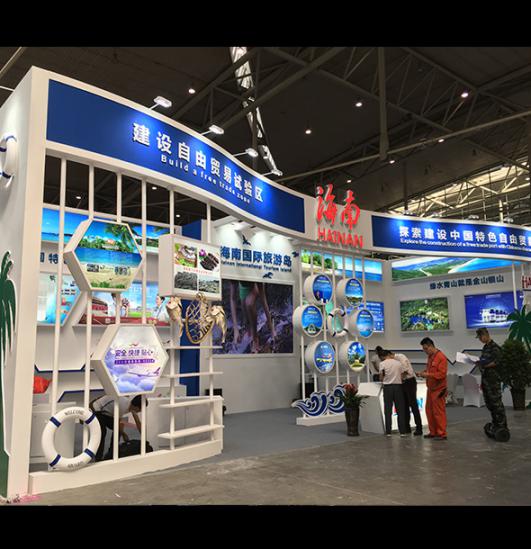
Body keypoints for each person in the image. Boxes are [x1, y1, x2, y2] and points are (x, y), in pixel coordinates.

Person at [89, 395, 147, 461]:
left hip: (106, 413)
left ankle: (112, 453)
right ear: (136, 407)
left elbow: (137, 421)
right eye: (141, 409)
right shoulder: (123, 406)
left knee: (118, 430)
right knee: (102, 432)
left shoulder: (131, 405)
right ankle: (98, 458)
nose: (140, 411)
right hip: (95, 410)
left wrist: (145, 439)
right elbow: (118, 424)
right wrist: (124, 434)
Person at [475, 327, 509, 433]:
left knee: (496, 403)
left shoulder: (495, 348)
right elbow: (484, 360)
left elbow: (497, 362)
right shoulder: (485, 347)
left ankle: (502, 425)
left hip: (493, 380)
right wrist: (479, 363)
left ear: (486, 335)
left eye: (480, 337)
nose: (480, 339)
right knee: (489, 403)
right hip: (486, 379)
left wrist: (484, 365)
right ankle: (495, 423)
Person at [418, 337, 448, 440]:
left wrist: (428, 375)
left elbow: (442, 374)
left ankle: (442, 433)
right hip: (431, 389)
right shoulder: (430, 357)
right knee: (429, 411)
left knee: (438, 412)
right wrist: (424, 372)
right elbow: (431, 370)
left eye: (426, 349)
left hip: (439, 389)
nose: (425, 351)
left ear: (431, 346)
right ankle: (433, 432)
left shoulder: (441, 357)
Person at [389, 350, 423, 436]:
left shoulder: (401, 357)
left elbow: (405, 371)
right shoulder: (394, 361)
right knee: (404, 406)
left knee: (413, 405)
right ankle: (407, 427)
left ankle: (419, 428)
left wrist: (396, 378)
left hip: (409, 382)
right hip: (403, 383)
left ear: (390, 355)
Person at [379, 350, 409, 437]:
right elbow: (403, 374)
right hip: (398, 387)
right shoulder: (398, 363)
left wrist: (385, 379)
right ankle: (402, 431)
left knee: (388, 410)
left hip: (387, 388)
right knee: (400, 410)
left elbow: (381, 377)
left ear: (383, 356)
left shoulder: (382, 364)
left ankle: (388, 432)